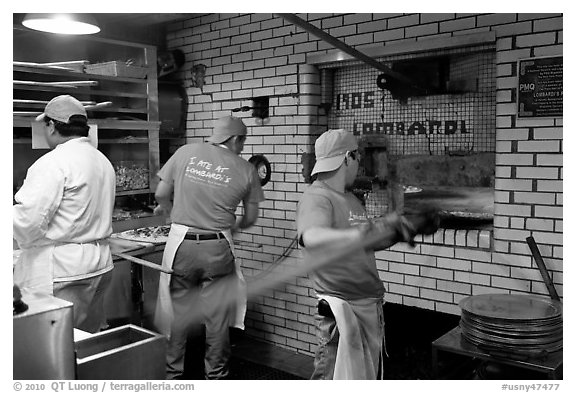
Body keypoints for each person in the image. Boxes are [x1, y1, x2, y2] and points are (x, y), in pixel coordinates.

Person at [296, 129, 424, 380]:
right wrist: (352, 235)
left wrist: (399, 232)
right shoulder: (317, 196)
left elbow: (365, 243)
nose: (359, 164)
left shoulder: (351, 199)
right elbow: (310, 237)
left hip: (366, 309)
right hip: (341, 314)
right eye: (357, 157)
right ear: (346, 158)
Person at [153, 115, 265, 380]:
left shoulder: (185, 152)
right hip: (217, 248)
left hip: (182, 246)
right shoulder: (247, 170)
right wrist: (229, 227)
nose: (242, 148)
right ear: (235, 139)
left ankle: (173, 375)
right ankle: (215, 375)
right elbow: (249, 219)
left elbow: (159, 195)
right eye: (242, 142)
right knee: (216, 318)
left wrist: (172, 212)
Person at [13, 94, 116, 333]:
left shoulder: (53, 162)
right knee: (85, 340)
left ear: (51, 125)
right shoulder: (102, 160)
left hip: (61, 270)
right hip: (99, 264)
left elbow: (28, 222)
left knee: (51, 345)